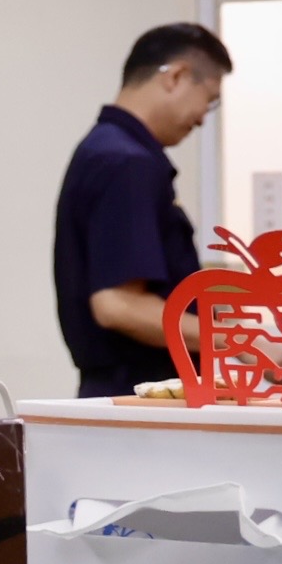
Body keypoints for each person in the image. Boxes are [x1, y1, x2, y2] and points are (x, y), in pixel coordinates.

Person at [54, 20, 230, 396]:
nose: (202, 117)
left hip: (126, 393)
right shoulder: (126, 162)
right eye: (209, 99)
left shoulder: (104, 149)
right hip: (140, 397)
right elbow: (118, 304)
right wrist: (241, 343)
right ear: (177, 76)